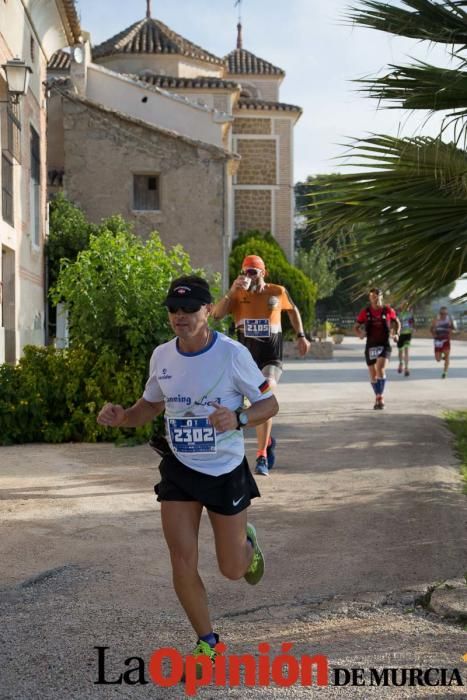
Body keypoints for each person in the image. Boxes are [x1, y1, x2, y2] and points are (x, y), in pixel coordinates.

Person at [97, 275, 278, 669]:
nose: (180, 316)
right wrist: (122, 417)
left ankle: (248, 547)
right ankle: (208, 641)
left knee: (232, 569)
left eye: (190, 309)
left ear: (208, 310)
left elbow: (270, 404)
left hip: (225, 471)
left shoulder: (231, 354)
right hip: (179, 467)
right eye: (174, 310)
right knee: (182, 559)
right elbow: (149, 406)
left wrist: (240, 417)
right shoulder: (163, 356)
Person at [211, 254, 310, 476]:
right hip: (247, 361)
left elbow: (293, 311)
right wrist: (231, 291)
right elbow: (216, 315)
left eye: (253, 272)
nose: (248, 276)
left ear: (262, 273)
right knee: (251, 407)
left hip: (271, 358)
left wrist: (301, 335)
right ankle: (267, 439)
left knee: (265, 392)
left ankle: (261, 455)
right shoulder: (237, 294)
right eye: (245, 272)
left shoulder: (277, 291)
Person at [354, 288, 400, 410]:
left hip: (384, 345)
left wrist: (396, 334)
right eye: (372, 296)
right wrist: (360, 334)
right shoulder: (365, 312)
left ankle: (380, 397)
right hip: (371, 346)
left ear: (381, 296)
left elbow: (397, 322)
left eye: (376, 296)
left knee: (380, 368)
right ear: (369, 298)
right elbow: (356, 326)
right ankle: (378, 397)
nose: (374, 298)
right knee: (373, 375)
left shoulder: (388, 310)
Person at [430, 306, 455, 378]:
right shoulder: (436, 320)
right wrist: (434, 334)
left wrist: (451, 332)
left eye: (445, 313)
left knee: (447, 356)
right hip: (438, 340)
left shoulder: (449, 319)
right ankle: (443, 357)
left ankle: (445, 372)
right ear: (439, 313)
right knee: (438, 359)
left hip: (446, 339)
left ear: (447, 314)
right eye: (442, 313)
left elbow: (453, 328)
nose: (443, 315)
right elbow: (431, 329)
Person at [396, 303, 415, 376]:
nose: (406, 307)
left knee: (406, 350)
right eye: (404, 306)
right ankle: (401, 363)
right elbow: (395, 324)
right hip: (400, 335)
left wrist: (413, 329)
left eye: (407, 306)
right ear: (402, 306)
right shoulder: (398, 314)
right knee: (400, 351)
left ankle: (406, 368)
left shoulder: (410, 314)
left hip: (408, 334)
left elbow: (412, 323)